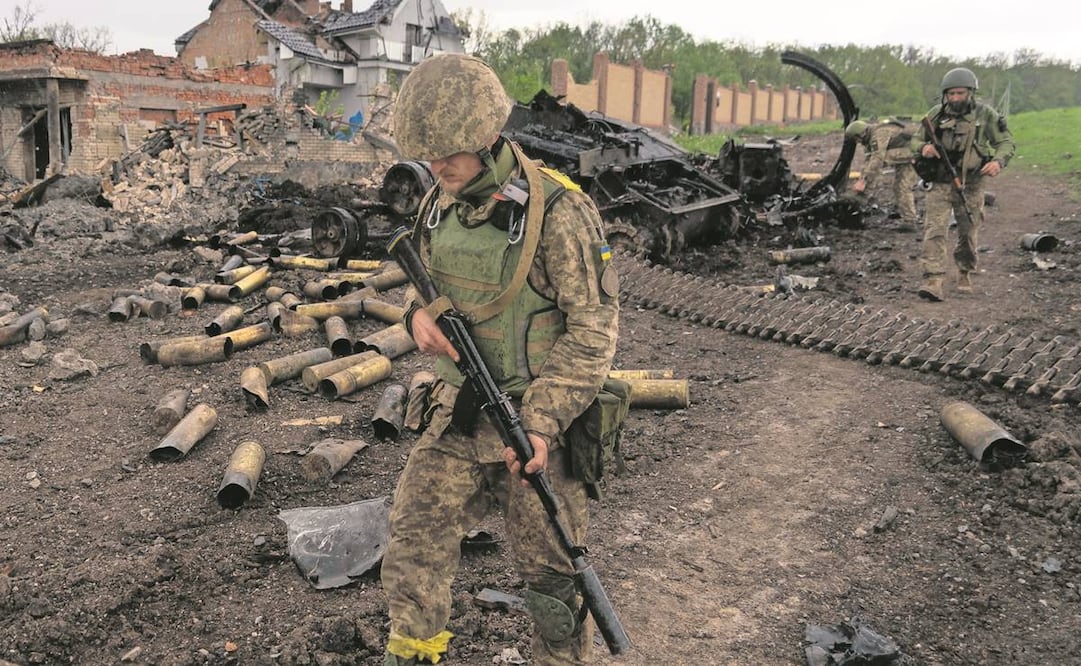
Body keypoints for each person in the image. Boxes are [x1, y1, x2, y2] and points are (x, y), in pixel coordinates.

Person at [380, 53, 620, 666]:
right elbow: (424, 285)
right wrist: (416, 316)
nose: (437, 167)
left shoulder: (559, 212)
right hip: (457, 416)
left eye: (449, 153)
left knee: (554, 586)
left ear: (489, 136)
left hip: (537, 431)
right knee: (412, 551)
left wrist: (541, 420)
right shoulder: (440, 201)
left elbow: (594, 327)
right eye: (428, 155)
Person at [911, 67, 1015, 301]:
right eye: (951, 94)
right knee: (934, 229)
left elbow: (1006, 142)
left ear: (971, 92)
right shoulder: (936, 114)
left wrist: (998, 162)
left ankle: (965, 270)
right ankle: (933, 279)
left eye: (960, 93)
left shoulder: (985, 115)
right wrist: (923, 148)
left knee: (968, 230)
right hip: (940, 182)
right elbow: (916, 139)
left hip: (971, 183)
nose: (955, 98)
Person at [844, 118, 919, 230]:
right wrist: (861, 180)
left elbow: (878, 158)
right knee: (900, 187)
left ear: (861, 134)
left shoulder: (879, 133)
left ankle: (909, 221)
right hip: (906, 154)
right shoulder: (870, 139)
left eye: (856, 139)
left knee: (881, 160)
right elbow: (867, 162)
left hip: (913, 151)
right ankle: (909, 221)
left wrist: (864, 181)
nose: (857, 142)